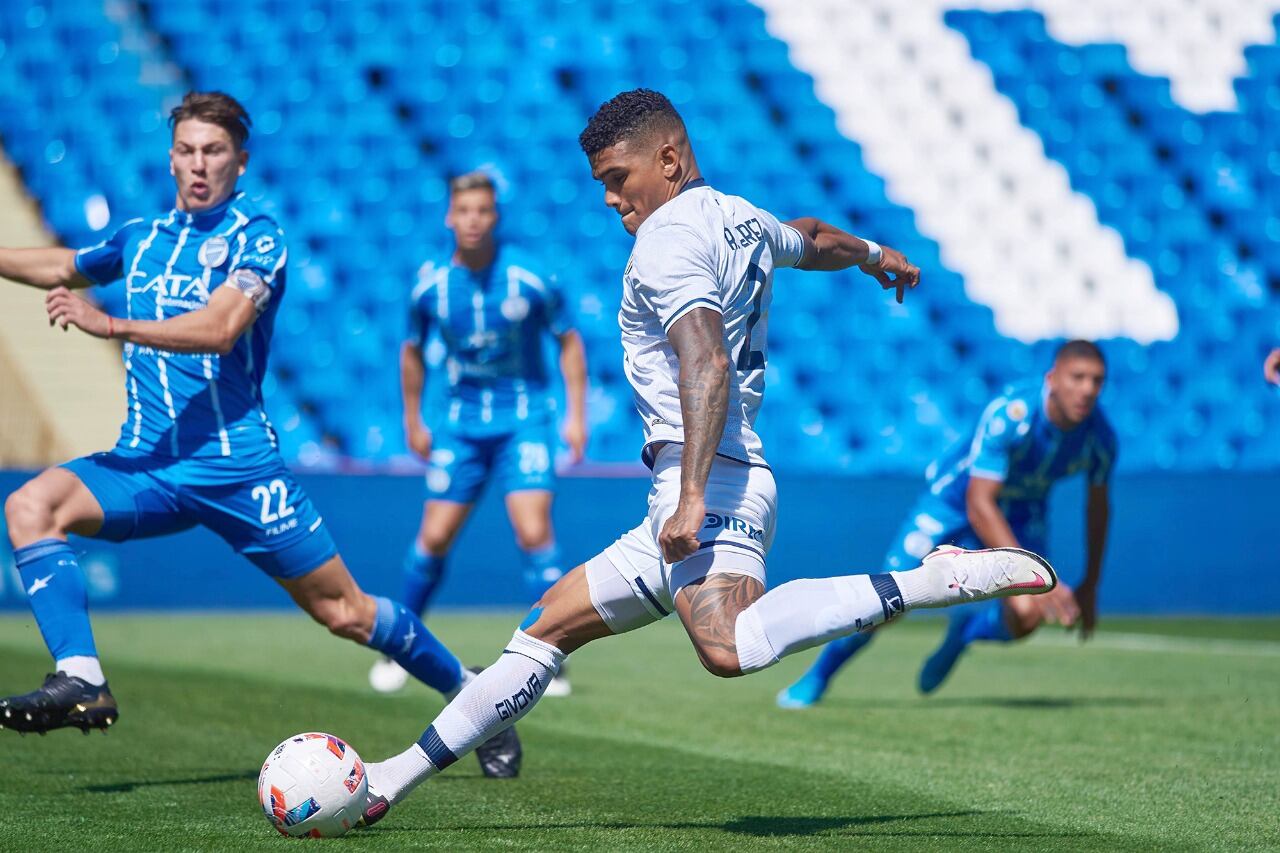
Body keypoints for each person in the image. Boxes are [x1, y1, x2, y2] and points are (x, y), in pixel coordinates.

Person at [353, 89, 1057, 825]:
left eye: (618, 177)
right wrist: (875, 256)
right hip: (689, 485)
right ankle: (386, 782)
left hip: (710, 481)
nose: (610, 197)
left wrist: (690, 494)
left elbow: (707, 360)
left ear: (669, 158)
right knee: (543, 629)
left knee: (729, 647)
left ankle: (929, 580)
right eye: (601, 183)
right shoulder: (737, 215)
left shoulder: (664, 242)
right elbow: (810, 237)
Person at [0, 91, 518, 778]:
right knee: (31, 506)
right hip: (146, 465)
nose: (198, 164)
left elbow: (219, 330)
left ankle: (475, 697)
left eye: (213, 151)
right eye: (186, 150)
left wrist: (113, 324)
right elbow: (62, 264)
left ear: (239, 162)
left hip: (238, 469)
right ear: (171, 158)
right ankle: (81, 676)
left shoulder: (257, 235)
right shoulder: (141, 239)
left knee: (345, 611)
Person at [778, 340, 1116, 707]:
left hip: (1021, 512)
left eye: (1096, 381)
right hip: (954, 503)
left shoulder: (1099, 439)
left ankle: (965, 633)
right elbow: (979, 503)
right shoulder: (1013, 414)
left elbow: (1097, 509)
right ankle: (820, 675)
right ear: (1052, 378)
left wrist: (1091, 584)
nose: (1086, 389)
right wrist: (1026, 565)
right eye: (1077, 377)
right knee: (891, 602)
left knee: (1027, 615)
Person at [368, 172, 588, 698]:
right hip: (461, 427)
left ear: (496, 216)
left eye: (483, 210)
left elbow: (570, 341)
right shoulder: (429, 285)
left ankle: (550, 662)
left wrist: (575, 416)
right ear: (450, 216)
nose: (473, 219)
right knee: (434, 538)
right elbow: (411, 352)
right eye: (463, 210)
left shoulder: (531, 278)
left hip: (524, 421)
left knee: (534, 535)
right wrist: (413, 418)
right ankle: (399, 650)